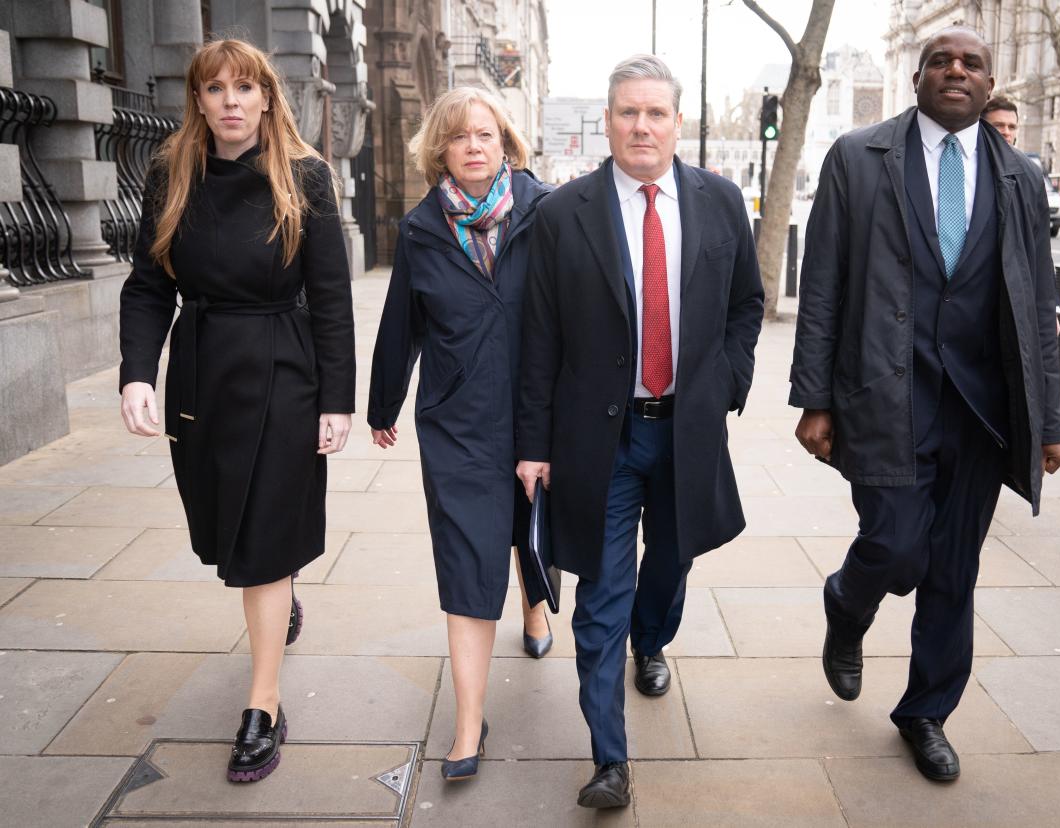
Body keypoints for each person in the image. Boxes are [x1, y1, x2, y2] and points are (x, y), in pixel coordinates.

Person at [790, 26, 1060, 783]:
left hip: (982, 409)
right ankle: (848, 602)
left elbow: (1038, 300)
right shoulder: (859, 158)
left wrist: (1048, 421)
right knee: (896, 544)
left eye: (971, 63)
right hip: (884, 394)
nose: (956, 71)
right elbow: (822, 287)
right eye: (941, 61)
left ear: (988, 83)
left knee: (953, 569)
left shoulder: (1020, 176)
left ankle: (926, 712)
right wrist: (813, 397)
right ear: (917, 78)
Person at [515, 54, 763, 808]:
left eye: (656, 113)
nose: (642, 126)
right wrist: (532, 444)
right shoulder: (563, 213)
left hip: (685, 429)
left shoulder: (721, 203)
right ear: (608, 121)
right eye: (628, 112)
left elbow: (746, 306)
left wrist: (726, 384)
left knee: (674, 559)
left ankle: (651, 641)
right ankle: (609, 759)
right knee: (600, 591)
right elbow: (540, 336)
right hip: (600, 439)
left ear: (677, 123)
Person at [118, 39, 354, 783]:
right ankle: (275, 603)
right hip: (202, 370)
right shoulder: (171, 174)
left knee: (263, 534)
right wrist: (136, 374)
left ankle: (263, 704)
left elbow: (333, 299)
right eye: (214, 88)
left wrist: (337, 400)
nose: (229, 100)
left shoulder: (305, 175)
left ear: (265, 98)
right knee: (227, 529)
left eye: (243, 88)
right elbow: (149, 284)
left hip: (284, 367)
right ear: (197, 99)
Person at [367, 87, 554, 781]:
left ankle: (535, 608)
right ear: (439, 151)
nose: (474, 145)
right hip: (457, 421)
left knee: (528, 528)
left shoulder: (546, 211)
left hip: (536, 415)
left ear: (505, 141)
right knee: (467, 553)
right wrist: (384, 401)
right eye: (459, 137)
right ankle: (468, 721)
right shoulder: (421, 229)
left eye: (486, 133)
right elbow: (401, 323)